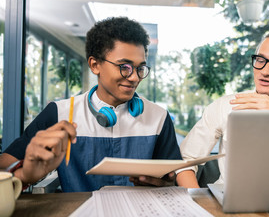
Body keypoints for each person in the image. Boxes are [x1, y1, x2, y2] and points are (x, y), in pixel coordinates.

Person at [0, 17, 181, 192]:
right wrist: (25, 175)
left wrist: (166, 184)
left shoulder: (158, 117)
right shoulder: (60, 113)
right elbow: (4, 168)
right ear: (95, 65)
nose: (134, 77)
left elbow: (171, 180)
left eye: (140, 68)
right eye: (124, 67)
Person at [176, 28, 269, 188]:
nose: (265, 71)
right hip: (228, 203)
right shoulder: (225, 106)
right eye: (260, 60)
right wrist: (198, 206)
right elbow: (185, 161)